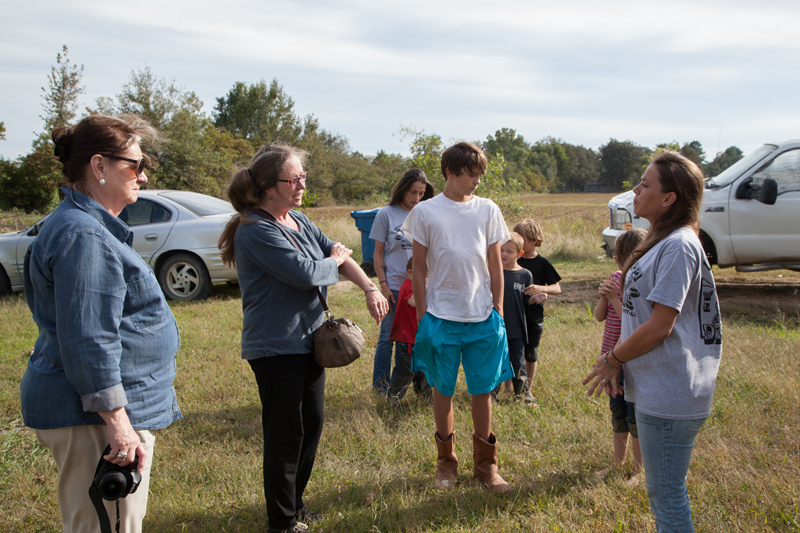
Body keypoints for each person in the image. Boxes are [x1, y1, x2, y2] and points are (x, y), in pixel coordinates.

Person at [21, 114, 181, 533]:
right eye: (136, 165)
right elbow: (89, 338)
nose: (143, 178)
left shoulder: (86, 227)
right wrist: (118, 424)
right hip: (94, 419)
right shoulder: (84, 236)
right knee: (104, 526)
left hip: (98, 414)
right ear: (99, 166)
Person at [218, 144, 388, 533]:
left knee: (311, 422)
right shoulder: (255, 229)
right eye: (293, 179)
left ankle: (294, 505)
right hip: (275, 345)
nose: (301, 185)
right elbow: (305, 272)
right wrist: (330, 260)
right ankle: (281, 521)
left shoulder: (299, 220)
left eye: (303, 177)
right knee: (285, 432)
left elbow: (337, 257)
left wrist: (368, 288)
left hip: (309, 342)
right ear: (267, 186)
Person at [583, 150, 723, 533]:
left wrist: (612, 358)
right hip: (657, 388)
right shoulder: (664, 242)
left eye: (645, 184)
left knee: (667, 499)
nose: (635, 189)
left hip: (671, 392)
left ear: (669, 198)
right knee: (665, 496)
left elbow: (661, 324)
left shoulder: (678, 245)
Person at [402, 141, 514, 494]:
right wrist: (423, 316)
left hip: (482, 317)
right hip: (440, 316)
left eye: (480, 174)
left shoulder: (488, 210)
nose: (476, 181)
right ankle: (446, 465)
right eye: (470, 174)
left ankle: (487, 466)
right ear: (450, 172)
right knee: (442, 390)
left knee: (483, 390)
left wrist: (497, 309)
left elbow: (495, 263)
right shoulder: (425, 212)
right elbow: (418, 269)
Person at [368, 168, 434, 392]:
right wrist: (383, 285)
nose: (416, 198)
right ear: (402, 189)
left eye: (421, 193)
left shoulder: (426, 213)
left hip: (421, 287)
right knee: (387, 336)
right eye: (412, 192)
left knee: (420, 336)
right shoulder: (385, 214)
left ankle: (419, 384)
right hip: (395, 287)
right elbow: (378, 253)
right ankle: (381, 386)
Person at [593, 228, 646, 482]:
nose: (622, 262)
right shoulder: (615, 278)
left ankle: (638, 470)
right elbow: (599, 316)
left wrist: (614, 298)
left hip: (631, 360)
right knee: (618, 412)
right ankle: (617, 464)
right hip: (610, 359)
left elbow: (632, 323)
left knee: (635, 416)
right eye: (621, 257)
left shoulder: (641, 283)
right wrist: (605, 297)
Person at [513, 218, 561, 405]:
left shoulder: (543, 263)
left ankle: (528, 389)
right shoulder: (512, 259)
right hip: (514, 314)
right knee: (511, 352)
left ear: (535, 240)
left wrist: (541, 288)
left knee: (530, 353)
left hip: (534, 317)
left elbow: (557, 288)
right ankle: (510, 387)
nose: (520, 242)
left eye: (523, 239)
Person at [494, 232, 538, 404]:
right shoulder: (492, 272)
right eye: (501, 250)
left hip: (517, 329)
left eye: (509, 251)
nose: (504, 254)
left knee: (518, 363)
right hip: (495, 328)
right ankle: (492, 395)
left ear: (520, 254)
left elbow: (527, 299)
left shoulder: (525, 275)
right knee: (496, 363)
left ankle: (523, 394)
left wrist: (537, 298)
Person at [386, 257, 432, 404]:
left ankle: (426, 400)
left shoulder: (412, 285)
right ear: (411, 272)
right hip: (407, 341)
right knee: (404, 372)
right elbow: (412, 301)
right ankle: (392, 400)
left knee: (422, 371)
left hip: (416, 339)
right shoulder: (409, 285)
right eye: (425, 276)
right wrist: (425, 286)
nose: (426, 280)